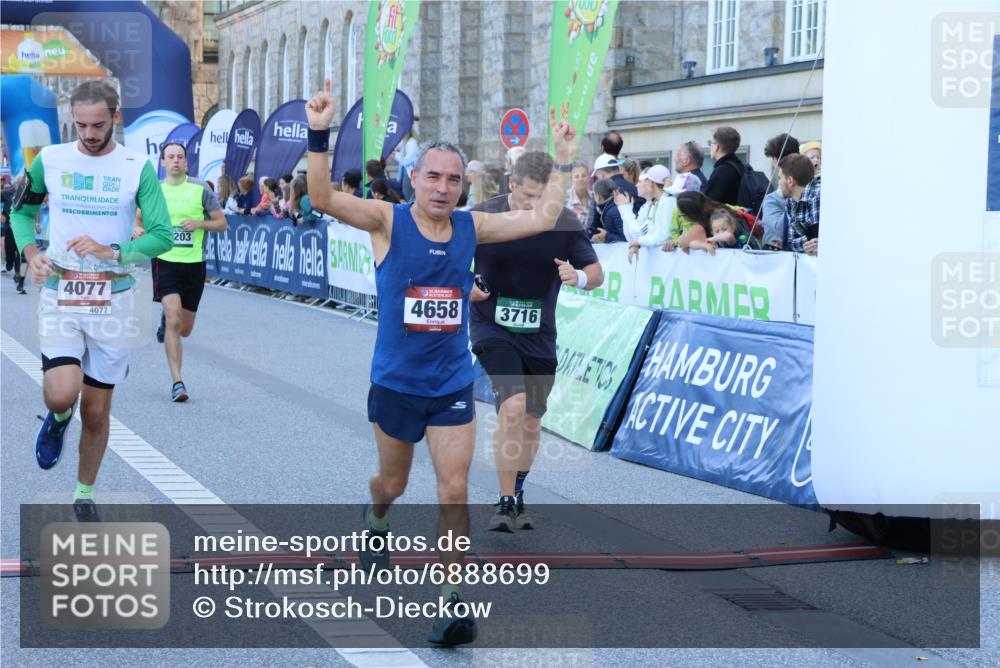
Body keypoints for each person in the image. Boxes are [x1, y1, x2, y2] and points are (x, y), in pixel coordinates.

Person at [305, 82, 579, 647]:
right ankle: (375, 517)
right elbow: (324, 198)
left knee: (453, 488)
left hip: (451, 382)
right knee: (394, 482)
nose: (444, 187)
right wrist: (318, 132)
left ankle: (452, 603)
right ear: (414, 179)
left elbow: (543, 217)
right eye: (434, 176)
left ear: (465, 186)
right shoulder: (386, 220)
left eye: (454, 179)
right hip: (396, 383)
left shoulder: (471, 227)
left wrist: (564, 157)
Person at [9, 80, 173, 520]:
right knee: (62, 395)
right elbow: (20, 211)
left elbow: (161, 236)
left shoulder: (137, 167)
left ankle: (84, 494)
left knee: (97, 411)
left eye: (98, 125)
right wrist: (31, 254)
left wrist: (113, 252)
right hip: (62, 292)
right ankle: (58, 420)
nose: (88, 133)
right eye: (80, 125)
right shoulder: (51, 160)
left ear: (115, 118)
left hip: (113, 300)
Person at [470, 151, 602, 533]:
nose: (535, 207)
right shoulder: (484, 215)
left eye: (543, 198)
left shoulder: (561, 220)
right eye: (529, 197)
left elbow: (597, 273)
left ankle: (519, 490)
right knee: (511, 407)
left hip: (540, 334)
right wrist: (467, 288)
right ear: (512, 184)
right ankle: (504, 500)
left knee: (531, 420)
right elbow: (448, 262)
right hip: (492, 328)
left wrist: (578, 276)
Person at [143, 141, 227, 401]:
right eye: (171, 157)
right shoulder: (155, 190)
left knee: (185, 328)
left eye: (180, 156)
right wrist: (138, 230)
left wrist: (200, 222)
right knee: (175, 319)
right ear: (164, 163)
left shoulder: (200, 189)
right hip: (165, 261)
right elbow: (137, 219)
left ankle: (167, 323)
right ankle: (177, 382)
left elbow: (222, 223)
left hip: (194, 264)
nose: (176, 161)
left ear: (187, 162)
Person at [619, 165, 677, 262]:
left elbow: (664, 236)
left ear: (651, 183)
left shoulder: (668, 202)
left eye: (641, 181)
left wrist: (638, 241)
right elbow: (651, 233)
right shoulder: (658, 203)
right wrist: (637, 243)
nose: (636, 185)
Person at [778, 153, 820, 255]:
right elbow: (792, 242)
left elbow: (819, 240)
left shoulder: (818, 194)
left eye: (780, 178)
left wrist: (809, 242)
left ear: (790, 181)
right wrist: (807, 243)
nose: (778, 182)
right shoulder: (790, 202)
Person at [702, 126, 744, 205]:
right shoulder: (739, 165)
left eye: (710, 143)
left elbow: (708, 204)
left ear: (717, 147)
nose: (710, 147)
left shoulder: (721, 172)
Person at [589, 178, 626, 243]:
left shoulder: (611, 213)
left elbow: (626, 239)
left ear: (599, 197)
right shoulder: (611, 208)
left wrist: (606, 236)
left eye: (594, 194)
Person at [394, 128, 420, 201]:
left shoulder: (412, 143)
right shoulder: (405, 142)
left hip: (409, 174)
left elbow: (407, 160)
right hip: (406, 173)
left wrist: (396, 155)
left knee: (409, 196)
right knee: (407, 195)